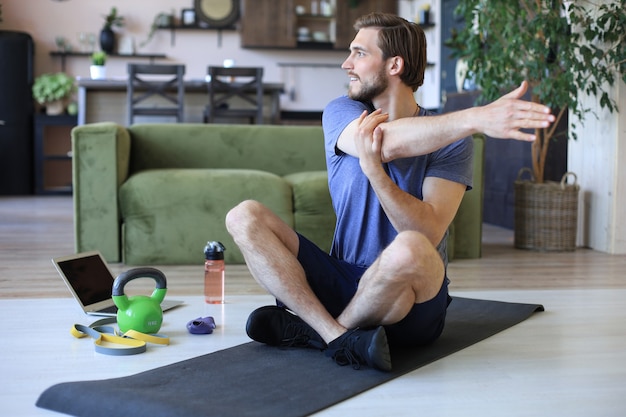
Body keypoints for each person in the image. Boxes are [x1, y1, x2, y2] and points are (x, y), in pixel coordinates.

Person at [225, 12, 554, 372]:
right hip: (343, 279)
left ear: (394, 64)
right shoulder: (342, 111)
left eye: (359, 53)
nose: (346, 63)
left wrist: (374, 173)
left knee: (411, 246)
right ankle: (338, 337)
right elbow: (385, 143)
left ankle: (318, 332)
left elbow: (426, 233)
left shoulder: (452, 143)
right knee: (244, 215)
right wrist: (474, 118)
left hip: (411, 301)